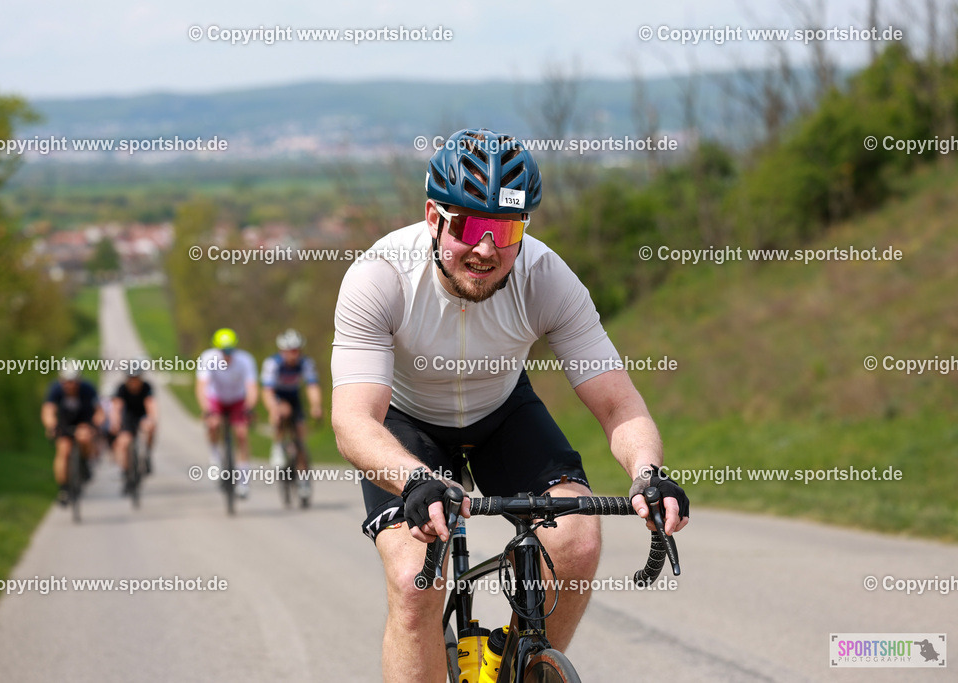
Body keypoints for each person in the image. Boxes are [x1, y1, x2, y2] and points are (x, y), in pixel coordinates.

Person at [330, 128, 690, 681]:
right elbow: (354, 420)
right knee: (414, 581)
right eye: (468, 226)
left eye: (504, 230)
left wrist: (648, 473)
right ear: (432, 216)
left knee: (577, 539)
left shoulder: (546, 278)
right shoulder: (381, 277)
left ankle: (523, 670)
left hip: (501, 412)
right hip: (405, 426)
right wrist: (414, 479)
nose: (485, 249)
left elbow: (619, 404)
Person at [261, 329, 323, 500]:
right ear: (282, 351)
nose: (294, 354)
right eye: (290, 351)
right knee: (282, 413)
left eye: (297, 350)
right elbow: (267, 391)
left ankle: (303, 480)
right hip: (277, 396)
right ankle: (278, 445)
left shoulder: (305, 363)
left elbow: (312, 386)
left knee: (301, 439)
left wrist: (316, 406)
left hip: (294, 397)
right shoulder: (272, 363)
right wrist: (273, 408)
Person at [196, 328, 258, 498]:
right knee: (213, 424)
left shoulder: (245, 360)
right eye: (224, 351)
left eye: (230, 350)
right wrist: (207, 410)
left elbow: (252, 387)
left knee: (242, 434)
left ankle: (243, 482)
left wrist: (249, 407)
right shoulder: (208, 358)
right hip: (216, 399)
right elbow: (201, 387)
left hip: (237, 399)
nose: (227, 354)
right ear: (217, 349)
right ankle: (215, 456)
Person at [41, 365, 105, 506]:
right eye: (67, 382)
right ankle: (63, 489)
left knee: (84, 438)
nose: (70, 385)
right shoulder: (56, 390)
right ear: (61, 381)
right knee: (63, 450)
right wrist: (51, 425)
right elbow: (48, 410)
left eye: (74, 382)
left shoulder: (87, 389)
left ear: (79, 380)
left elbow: (99, 411)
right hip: (65, 423)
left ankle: (84, 463)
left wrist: (95, 425)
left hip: (84, 421)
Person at [110, 364, 158, 494]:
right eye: (131, 378)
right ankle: (127, 474)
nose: (133, 382)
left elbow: (151, 404)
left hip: (142, 416)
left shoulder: (146, 387)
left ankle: (147, 454)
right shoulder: (122, 388)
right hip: (128, 418)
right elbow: (116, 407)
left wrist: (152, 419)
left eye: (136, 378)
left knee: (149, 427)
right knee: (123, 443)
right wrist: (115, 422)